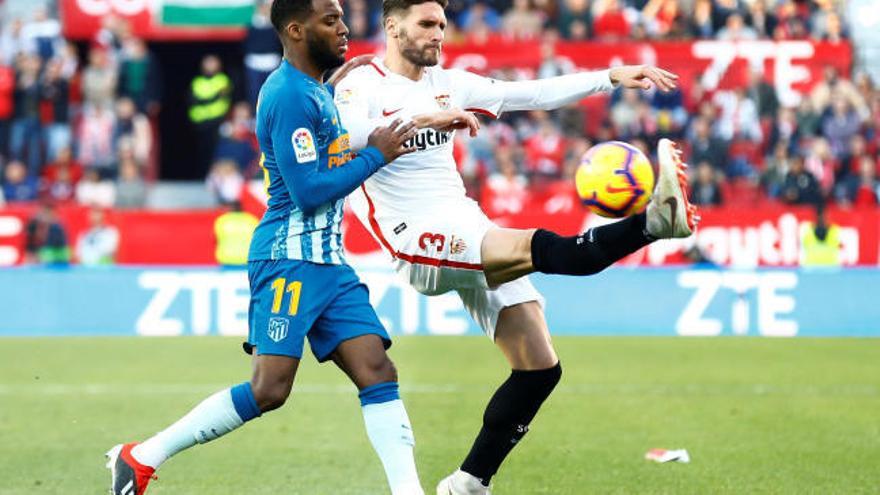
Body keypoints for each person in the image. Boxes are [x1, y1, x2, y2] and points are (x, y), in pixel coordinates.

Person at [333, 1, 698, 493]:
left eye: (442, 24)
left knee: (540, 367)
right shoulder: (361, 84)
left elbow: (532, 93)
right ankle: (653, 224)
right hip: (414, 238)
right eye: (426, 23)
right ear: (392, 26)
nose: (438, 34)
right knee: (559, 251)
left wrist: (610, 76)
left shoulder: (450, 82)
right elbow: (350, 138)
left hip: (463, 221)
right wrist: (429, 120)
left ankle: (468, 482)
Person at [105, 0, 428, 494]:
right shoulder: (286, 95)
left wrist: (347, 82)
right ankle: (141, 456)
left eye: (342, 18)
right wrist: (376, 156)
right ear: (296, 31)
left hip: (327, 263)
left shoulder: (314, 89)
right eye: (331, 21)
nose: (345, 28)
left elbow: (323, 136)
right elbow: (309, 190)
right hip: (288, 259)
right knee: (269, 389)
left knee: (377, 369)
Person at [213, 201, 259, 266]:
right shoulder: (252, 220)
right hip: (247, 261)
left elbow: (216, 239)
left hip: (227, 260)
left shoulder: (222, 220)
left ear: (229, 208)